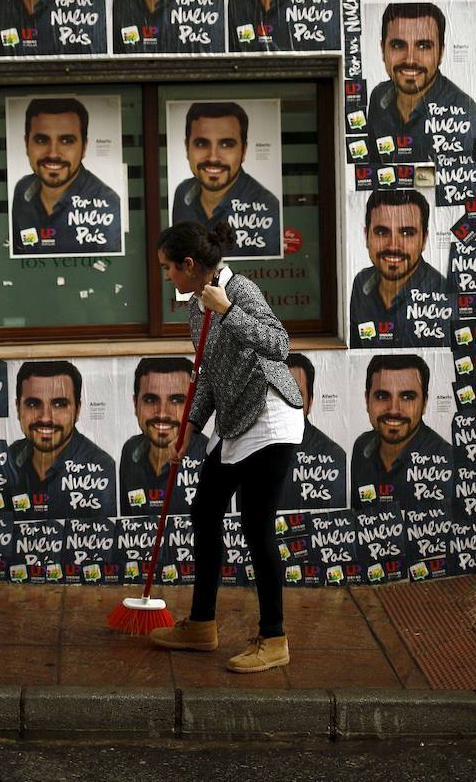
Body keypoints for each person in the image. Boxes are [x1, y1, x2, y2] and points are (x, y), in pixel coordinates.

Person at [148, 220, 304, 673]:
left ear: (189, 265)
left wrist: (230, 309)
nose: (167, 277)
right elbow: (209, 377)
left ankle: (274, 639)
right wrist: (191, 427)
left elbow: (279, 345)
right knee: (204, 511)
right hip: (235, 420)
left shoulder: (242, 291)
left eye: (168, 269)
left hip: (270, 417)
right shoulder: (196, 309)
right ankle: (201, 625)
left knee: (257, 526)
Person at [365, 1, 476, 166]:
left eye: (424, 46)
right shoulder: (378, 97)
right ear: (383, 50)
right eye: (398, 45)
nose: (410, 59)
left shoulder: (464, 109)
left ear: (440, 53)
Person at [3, 361, 117, 520]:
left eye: (59, 404)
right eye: (33, 404)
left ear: (77, 410)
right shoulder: (8, 460)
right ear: (17, 408)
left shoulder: (103, 469)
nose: (45, 417)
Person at [11, 97, 123, 254]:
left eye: (66, 141)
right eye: (41, 140)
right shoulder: (22, 190)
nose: (53, 153)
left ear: (84, 147)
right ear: (26, 144)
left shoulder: (109, 206)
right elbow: (19, 251)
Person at [171, 102, 281, 259]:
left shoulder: (268, 207)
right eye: (202, 143)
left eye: (226, 144)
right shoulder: (182, 193)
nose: (213, 157)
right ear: (187, 148)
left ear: (243, 151)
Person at [349, 189, 453, 348]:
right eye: (382, 232)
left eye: (406, 233)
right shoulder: (360, 283)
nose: (393, 245)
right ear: (366, 236)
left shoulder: (445, 294)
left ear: (424, 240)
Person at [350, 354, 451, 508]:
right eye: (382, 396)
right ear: (367, 400)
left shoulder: (450, 461)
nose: (394, 410)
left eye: (407, 397)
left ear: (424, 403)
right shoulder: (361, 446)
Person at [119, 357, 210, 516]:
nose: (162, 413)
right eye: (150, 400)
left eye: (177, 400)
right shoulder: (129, 451)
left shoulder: (212, 457)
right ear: (135, 404)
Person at [274, 353, 348, 512]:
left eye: (296, 394)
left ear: (310, 402)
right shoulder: (247, 452)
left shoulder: (334, 457)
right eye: (277, 393)